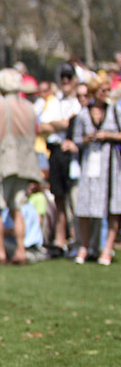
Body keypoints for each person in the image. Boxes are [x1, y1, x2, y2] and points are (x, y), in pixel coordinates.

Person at [0, 67, 42, 265]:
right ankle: (21, 251)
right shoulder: (30, 107)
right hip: (27, 162)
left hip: (3, 162)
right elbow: (37, 130)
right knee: (17, 207)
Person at [66, 97, 121, 265]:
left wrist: (108, 135)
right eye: (101, 90)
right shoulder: (83, 114)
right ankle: (84, 246)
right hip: (89, 164)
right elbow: (76, 140)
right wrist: (87, 138)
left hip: (111, 166)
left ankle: (106, 248)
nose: (106, 93)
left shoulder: (114, 110)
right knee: (84, 206)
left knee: (112, 207)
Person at [37, 63, 83, 252]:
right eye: (62, 77)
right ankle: (60, 240)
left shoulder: (79, 101)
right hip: (55, 152)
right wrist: (62, 124)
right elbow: (43, 127)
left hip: (73, 154)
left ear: (75, 79)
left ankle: (79, 240)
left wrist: (57, 124)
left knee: (75, 199)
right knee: (59, 199)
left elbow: (70, 123)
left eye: (68, 77)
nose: (65, 80)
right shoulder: (55, 101)